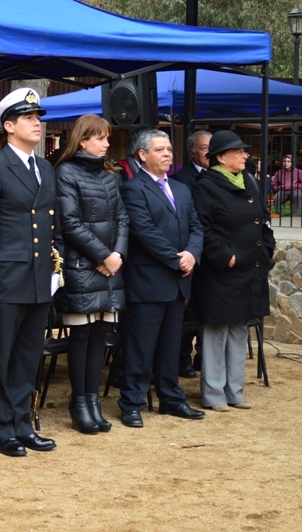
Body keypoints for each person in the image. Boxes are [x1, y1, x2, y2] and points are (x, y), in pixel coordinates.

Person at [0, 88, 61, 457]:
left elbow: (55, 223)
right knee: (1, 358)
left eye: (39, 117)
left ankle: (23, 423)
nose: (38, 123)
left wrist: (56, 264)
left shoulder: (45, 167)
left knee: (28, 357)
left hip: (37, 278)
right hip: (4, 279)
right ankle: (2, 429)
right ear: (9, 125)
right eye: (29, 118)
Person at [117, 129, 205, 429]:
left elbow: (196, 225)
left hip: (178, 281)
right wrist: (176, 258)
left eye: (169, 149)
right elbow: (144, 232)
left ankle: (171, 398)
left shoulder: (180, 188)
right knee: (140, 348)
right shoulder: (133, 188)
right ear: (142, 155)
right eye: (160, 150)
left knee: (170, 346)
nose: (168, 154)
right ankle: (131, 403)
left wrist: (192, 253)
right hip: (148, 281)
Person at [54, 115, 128, 434]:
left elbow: (123, 218)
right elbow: (69, 223)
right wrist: (103, 256)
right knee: (82, 335)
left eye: (108, 138)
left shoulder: (112, 175)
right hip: (82, 266)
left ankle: (93, 401)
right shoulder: (65, 172)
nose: (107, 143)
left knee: (100, 335)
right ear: (83, 140)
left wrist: (117, 256)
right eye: (101, 138)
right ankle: (79, 403)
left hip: (109, 266)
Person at [192, 131, 274, 412]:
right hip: (221, 273)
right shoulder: (206, 186)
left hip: (250, 269)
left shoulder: (248, 180)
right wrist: (226, 256)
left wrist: (267, 249)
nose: (245, 155)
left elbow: (262, 219)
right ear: (221, 157)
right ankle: (214, 394)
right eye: (238, 152)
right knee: (217, 332)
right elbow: (202, 229)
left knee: (240, 329)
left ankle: (235, 391)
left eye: (244, 151)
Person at [170, 130, 212, 379]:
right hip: (188, 255)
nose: (210, 152)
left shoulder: (221, 177)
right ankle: (182, 358)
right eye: (205, 148)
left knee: (206, 310)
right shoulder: (180, 179)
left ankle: (203, 357)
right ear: (192, 151)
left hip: (212, 259)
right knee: (184, 310)